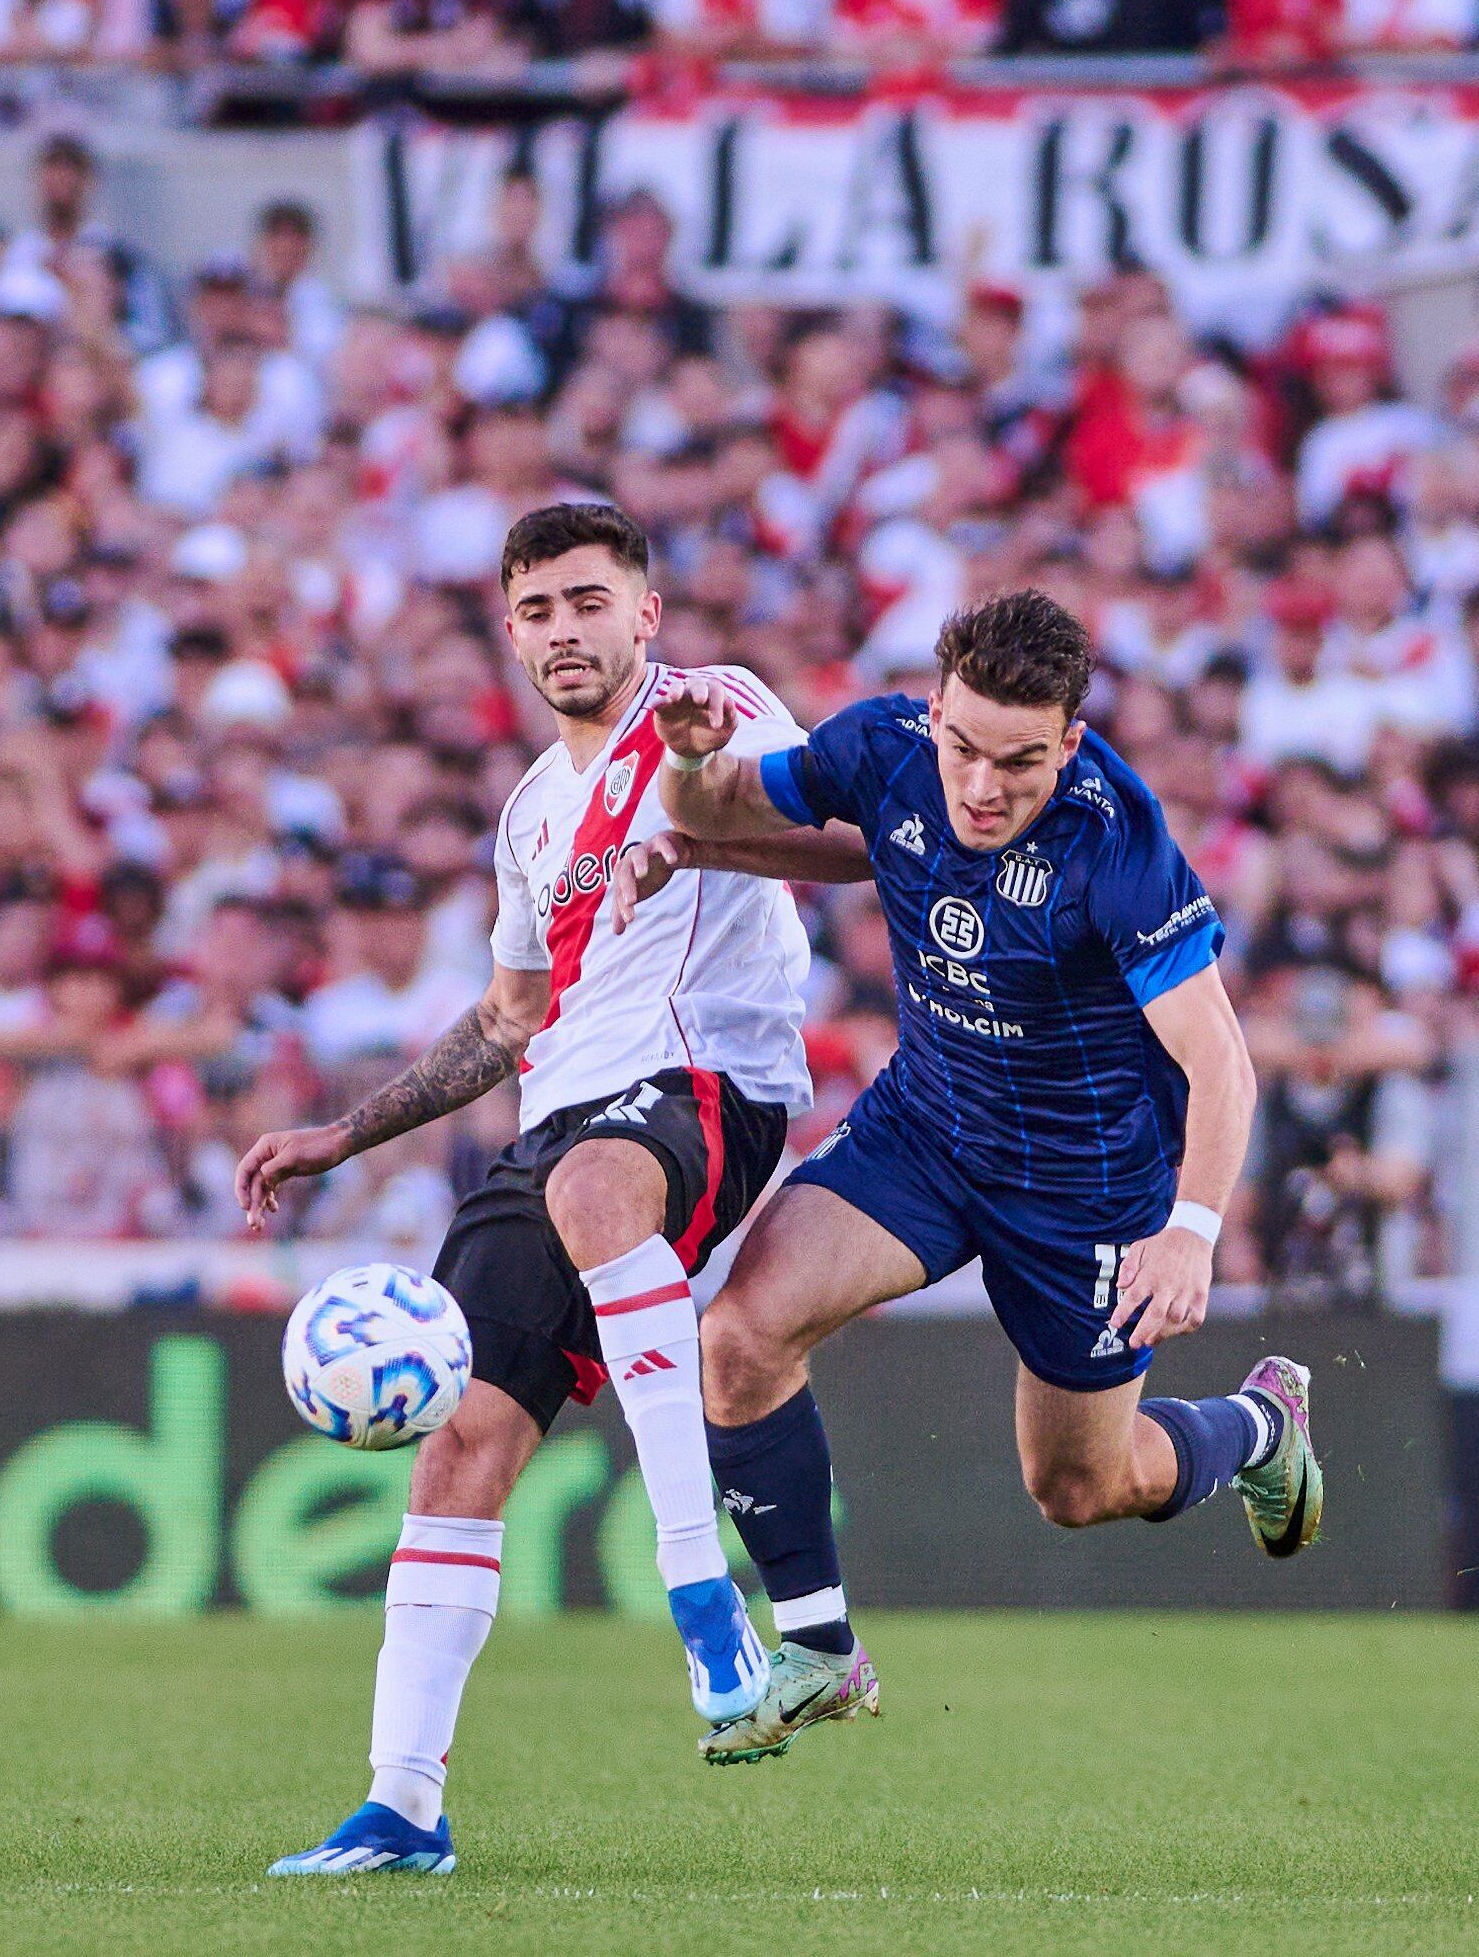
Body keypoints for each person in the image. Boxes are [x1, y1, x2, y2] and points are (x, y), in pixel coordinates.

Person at [241, 502, 870, 1877]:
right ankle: (402, 1803)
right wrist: (344, 1133)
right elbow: (510, 1015)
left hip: (708, 1089)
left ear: (643, 613)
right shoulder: (532, 810)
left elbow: (858, 847)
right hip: (559, 1119)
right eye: (537, 610)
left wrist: (709, 806)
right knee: (462, 1439)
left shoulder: (718, 710)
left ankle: (701, 1594)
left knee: (597, 1187)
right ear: (511, 632)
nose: (563, 630)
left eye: (589, 601)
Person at [654, 589, 1322, 1764]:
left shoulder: (1116, 839)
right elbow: (745, 809)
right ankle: (818, 1647)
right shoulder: (883, 746)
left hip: (1088, 1186)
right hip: (930, 1127)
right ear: (935, 710)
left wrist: (1193, 1228)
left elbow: (1220, 1061)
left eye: (1020, 760)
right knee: (742, 1334)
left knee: (1076, 1486)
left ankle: (1261, 1426)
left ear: (1068, 741)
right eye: (964, 746)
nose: (980, 786)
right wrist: (695, 780)